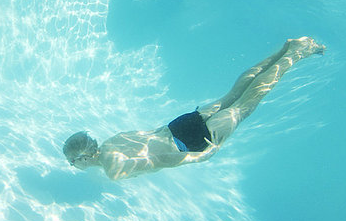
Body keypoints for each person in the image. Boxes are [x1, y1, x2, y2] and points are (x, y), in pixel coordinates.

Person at [63, 37, 325, 180]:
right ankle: (286, 49)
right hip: (177, 126)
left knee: (246, 104)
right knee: (234, 94)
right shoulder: (110, 142)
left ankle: (298, 52)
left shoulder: (114, 169)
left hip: (192, 144)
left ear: (83, 158)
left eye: (72, 163)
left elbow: (158, 159)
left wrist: (200, 157)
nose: (74, 166)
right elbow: (149, 135)